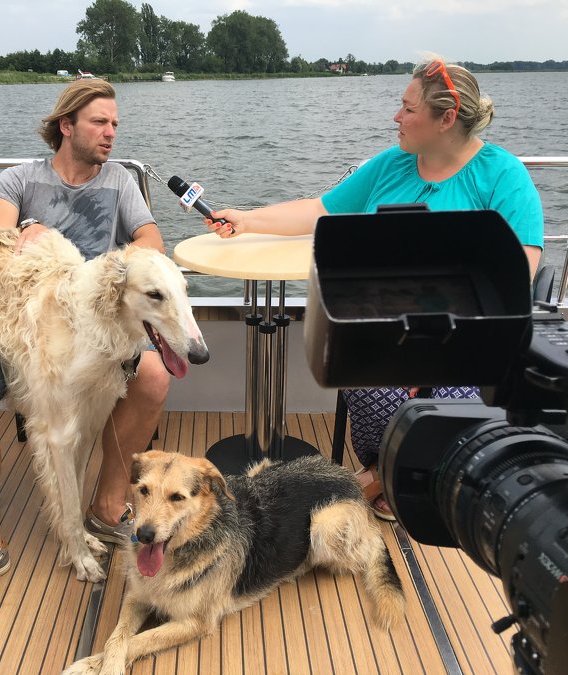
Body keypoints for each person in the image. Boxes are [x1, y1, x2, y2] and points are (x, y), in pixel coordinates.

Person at [203, 55, 544, 520]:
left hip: (464, 339)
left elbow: (519, 269)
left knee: (449, 409)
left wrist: (444, 337)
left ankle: (373, 481)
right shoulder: (390, 165)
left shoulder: (503, 175)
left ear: (446, 119)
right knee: (363, 370)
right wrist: (246, 218)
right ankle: (393, 475)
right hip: (385, 329)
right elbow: (320, 209)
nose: (396, 117)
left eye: (407, 108)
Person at [0, 79, 169, 615]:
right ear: (66, 125)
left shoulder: (120, 182)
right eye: (100, 122)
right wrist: (26, 228)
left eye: (116, 123)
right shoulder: (18, 179)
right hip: (13, 329)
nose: (111, 133)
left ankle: (105, 505)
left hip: (96, 331)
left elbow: (152, 245)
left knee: (155, 376)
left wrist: (109, 267)